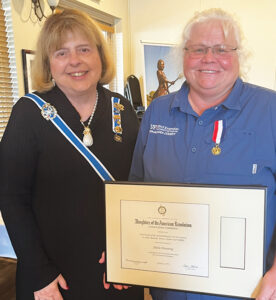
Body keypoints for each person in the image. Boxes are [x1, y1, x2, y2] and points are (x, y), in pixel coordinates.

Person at [129, 7, 276, 300]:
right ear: (183, 56)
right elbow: (137, 192)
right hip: (166, 289)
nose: (209, 58)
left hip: (248, 291)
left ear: (238, 56)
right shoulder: (157, 111)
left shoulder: (270, 109)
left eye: (221, 49)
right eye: (198, 49)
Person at [0, 9, 143, 300]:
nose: (75, 61)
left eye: (84, 49)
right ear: (48, 63)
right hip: (52, 275)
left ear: (100, 56)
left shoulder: (121, 108)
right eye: (61, 53)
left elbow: (137, 187)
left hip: (115, 267)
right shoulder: (29, 113)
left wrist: (127, 251)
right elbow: (11, 197)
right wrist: (40, 272)